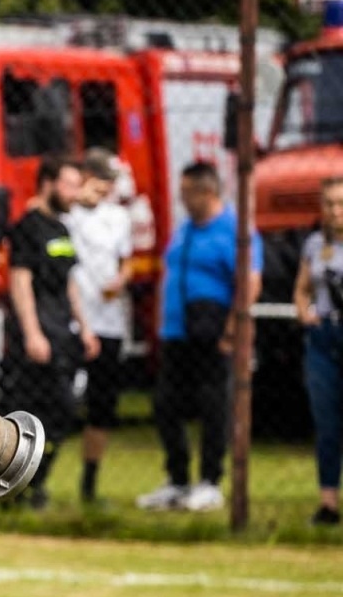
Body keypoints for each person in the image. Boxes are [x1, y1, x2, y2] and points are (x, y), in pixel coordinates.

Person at [137, 161, 264, 512]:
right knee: (166, 406)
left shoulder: (234, 231)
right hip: (176, 333)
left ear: (206, 192)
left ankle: (210, 481)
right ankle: (177, 481)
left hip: (211, 331)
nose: (181, 200)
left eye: (186, 193)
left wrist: (231, 331)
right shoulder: (186, 229)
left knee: (212, 406)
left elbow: (249, 282)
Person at [0, 156, 99, 510]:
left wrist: (84, 327)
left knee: (63, 414)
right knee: (31, 412)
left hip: (62, 335)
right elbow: (20, 281)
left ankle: (33, 484)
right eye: (70, 185)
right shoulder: (28, 227)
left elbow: (68, 283)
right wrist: (32, 333)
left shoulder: (62, 229)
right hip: (37, 337)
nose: (76, 193)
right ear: (48, 183)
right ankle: (14, 487)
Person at [64, 148, 132, 504]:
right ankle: (35, 477)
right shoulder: (68, 214)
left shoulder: (118, 218)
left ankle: (89, 485)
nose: (107, 188)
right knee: (60, 402)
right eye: (101, 179)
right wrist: (76, 199)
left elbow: (126, 263)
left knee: (102, 406)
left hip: (109, 322)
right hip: (75, 322)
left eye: (111, 181)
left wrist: (120, 280)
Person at [292, 176, 343, 526]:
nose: (335, 211)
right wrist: (303, 312)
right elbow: (302, 289)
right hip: (325, 336)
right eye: (329, 204)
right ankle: (328, 504)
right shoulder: (315, 244)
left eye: (341, 204)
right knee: (327, 423)